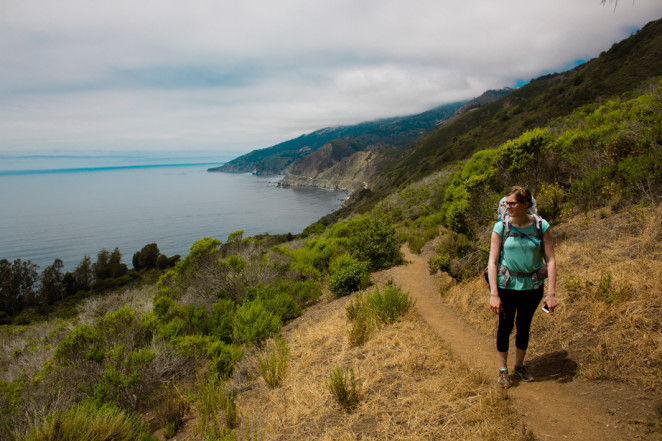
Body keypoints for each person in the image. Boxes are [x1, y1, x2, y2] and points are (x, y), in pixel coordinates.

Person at [487, 186, 557, 388]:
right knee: (505, 326)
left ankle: (519, 365)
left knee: (524, 325)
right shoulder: (501, 227)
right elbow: (492, 262)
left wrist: (551, 294)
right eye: (506, 203)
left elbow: (550, 260)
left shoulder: (541, 226)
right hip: (506, 287)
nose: (507, 207)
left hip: (532, 287)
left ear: (526, 204)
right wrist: (494, 294)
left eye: (512, 203)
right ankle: (503, 369)